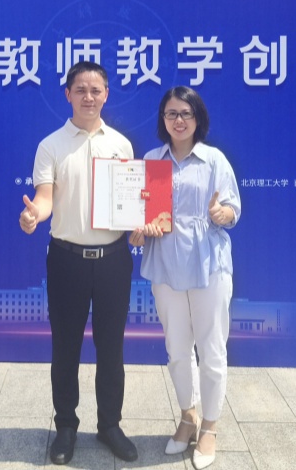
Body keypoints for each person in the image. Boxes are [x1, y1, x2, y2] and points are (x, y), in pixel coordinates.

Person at [18, 61, 138, 466]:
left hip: (113, 261)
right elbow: (45, 197)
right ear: (67, 94)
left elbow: (129, 204)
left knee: (112, 348)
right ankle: (66, 427)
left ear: (107, 95)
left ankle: (110, 425)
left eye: (96, 90)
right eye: (81, 89)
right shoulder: (51, 145)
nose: (89, 96)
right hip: (66, 260)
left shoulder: (121, 146)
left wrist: (142, 225)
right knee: (65, 348)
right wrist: (35, 214)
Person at [129, 86, 240, 470]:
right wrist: (138, 230)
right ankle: (188, 416)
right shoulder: (151, 161)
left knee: (211, 349)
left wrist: (222, 214)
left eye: (186, 114)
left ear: (198, 119)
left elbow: (233, 209)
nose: (179, 120)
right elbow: (141, 213)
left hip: (208, 264)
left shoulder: (214, 160)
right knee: (177, 348)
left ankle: (210, 426)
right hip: (165, 264)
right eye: (171, 113)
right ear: (162, 119)